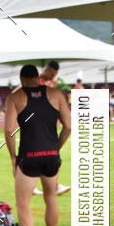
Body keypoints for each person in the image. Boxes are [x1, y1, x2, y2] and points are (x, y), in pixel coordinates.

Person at [4, 64, 71, 226]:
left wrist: (13, 157)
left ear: (22, 78)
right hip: (51, 155)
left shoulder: (15, 97)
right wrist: (56, 147)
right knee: (51, 198)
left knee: (23, 203)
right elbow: (68, 127)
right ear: (38, 77)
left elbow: (9, 131)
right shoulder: (56, 94)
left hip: (29, 156)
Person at [34, 60, 70, 197]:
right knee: (49, 156)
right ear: (47, 70)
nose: (53, 77)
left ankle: (51, 185)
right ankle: (54, 186)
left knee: (45, 156)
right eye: (52, 74)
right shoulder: (35, 81)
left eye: (55, 75)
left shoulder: (50, 84)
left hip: (48, 125)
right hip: (39, 125)